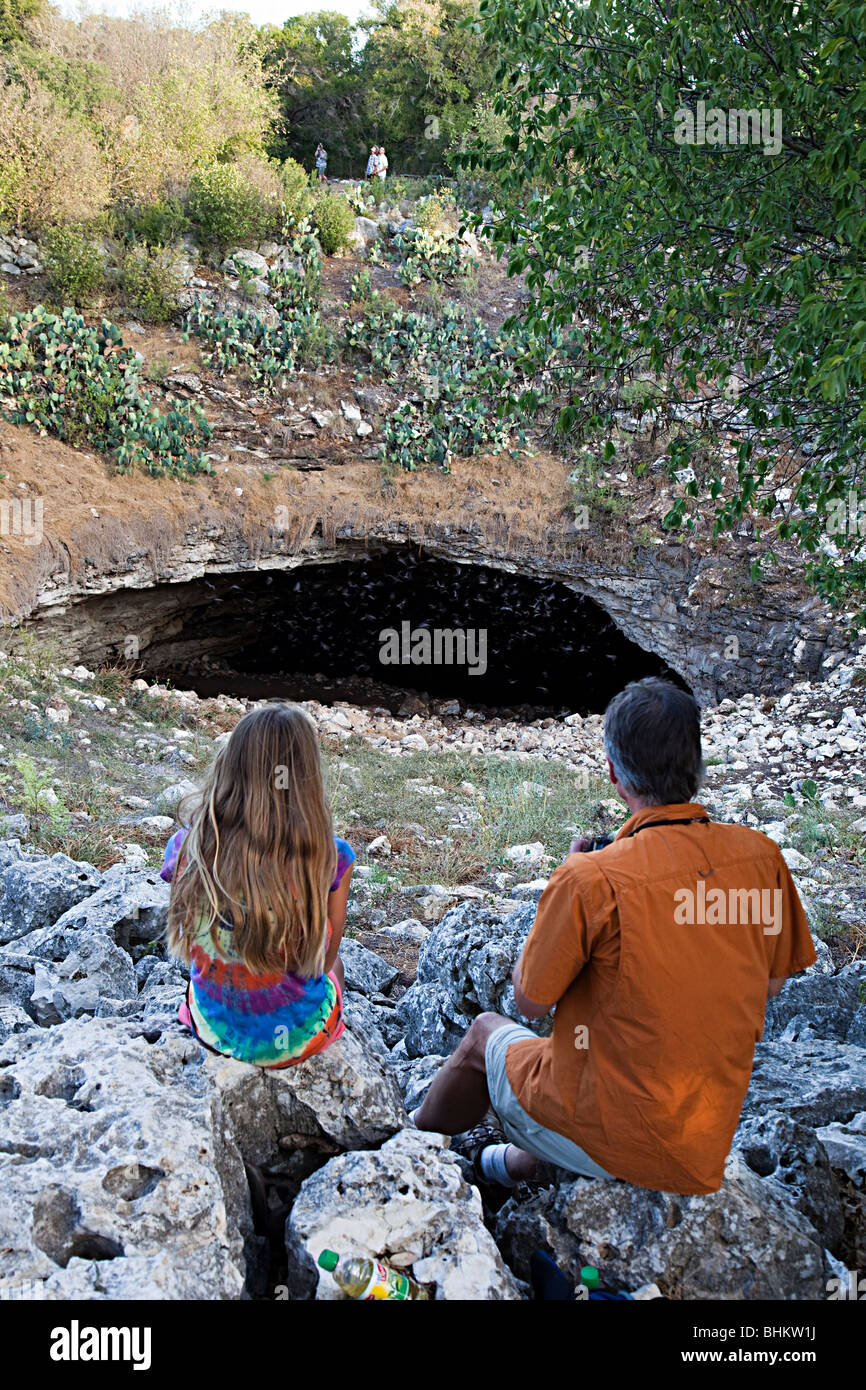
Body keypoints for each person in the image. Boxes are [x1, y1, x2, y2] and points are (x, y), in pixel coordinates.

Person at [412, 677, 816, 1196]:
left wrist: (561, 889)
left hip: (616, 1136)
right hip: (702, 1139)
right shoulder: (763, 858)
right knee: (605, 1058)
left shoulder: (590, 878)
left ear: (613, 772)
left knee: (488, 1034)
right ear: (696, 765)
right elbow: (771, 985)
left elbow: (530, 1002)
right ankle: (508, 1165)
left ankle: (413, 1152)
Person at [162, 702, 354, 1068]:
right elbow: (323, 960)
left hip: (212, 1029)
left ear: (231, 766)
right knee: (337, 967)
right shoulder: (331, 858)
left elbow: (188, 930)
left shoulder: (189, 847)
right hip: (296, 1041)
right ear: (306, 779)